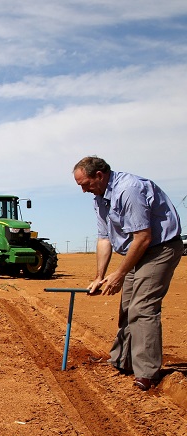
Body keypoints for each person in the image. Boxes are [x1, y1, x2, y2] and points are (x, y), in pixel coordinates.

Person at [73, 156, 182, 390]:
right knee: (126, 306)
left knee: (142, 307)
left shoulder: (129, 190)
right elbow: (104, 238)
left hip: (158, 248)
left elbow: (143, 237)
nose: (83, 190)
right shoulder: (100, 198)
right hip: (136, 250)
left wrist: (120, 274)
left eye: (85, 184)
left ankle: (147, 373)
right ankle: (123, 360)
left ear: (99, 176)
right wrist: (99, 276)